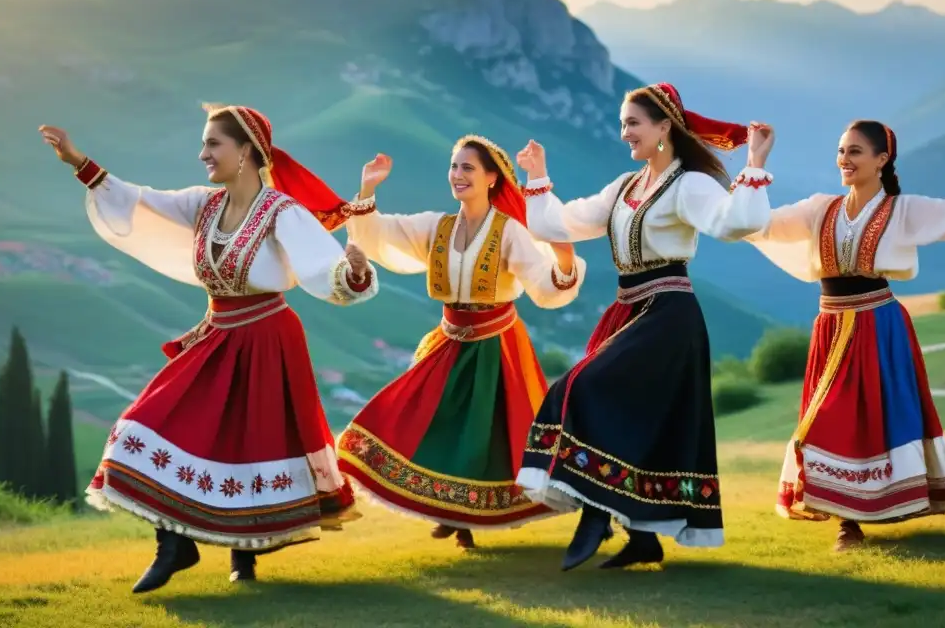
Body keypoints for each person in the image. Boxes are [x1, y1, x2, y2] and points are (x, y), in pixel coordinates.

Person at [38, 104, 379, 593]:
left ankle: (242, 556)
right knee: (144, 424)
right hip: (218, 332)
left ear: (246, 151)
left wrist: (355, 271)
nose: (202, 154)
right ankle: (177, 545)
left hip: (266, 337)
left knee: (251, 441)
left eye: (213, 144)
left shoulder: (282, 213)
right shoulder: (204, 204)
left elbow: (324, 270)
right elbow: (141, 200)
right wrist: (80, 162)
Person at [515, 82, 776, 571]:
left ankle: (594, 511)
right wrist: (538, 176)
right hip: (630, 308)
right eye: (623, 124)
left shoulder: (690, 184)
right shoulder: (625, 186)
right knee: (639, 421)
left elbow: (731, 223)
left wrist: (754, 165)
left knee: (585, 387)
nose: (625, 133)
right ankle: (643, 537)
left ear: (664, 127)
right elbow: (564, 224)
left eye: (633, 123)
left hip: (669, 313)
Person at [744, 120, 945, 551]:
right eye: (842, 151)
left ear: (882, 160)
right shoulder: (819, 208)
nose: (844, 160)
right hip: (830, 324)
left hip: (878, 324)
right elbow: (759, 225)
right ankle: (848, 518)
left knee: (872, 416)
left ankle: (857, 518)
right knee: (827, 415)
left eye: (856, 152)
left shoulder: (903, 209)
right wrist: (756, 161)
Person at [336, 135, 587, 548]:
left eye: (468, 168)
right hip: (450, 340)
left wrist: (562, 260)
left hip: (495, 345)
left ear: (492, 178)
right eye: (454, 167)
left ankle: (464, 519)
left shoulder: (510, 233)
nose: (457, 175)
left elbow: (544, 286)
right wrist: (368, 188)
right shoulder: (437, 226)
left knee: (484, 436)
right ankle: (451, 513)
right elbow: (379, 234)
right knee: (431, 422)